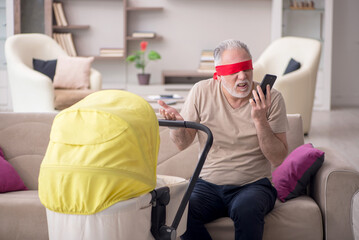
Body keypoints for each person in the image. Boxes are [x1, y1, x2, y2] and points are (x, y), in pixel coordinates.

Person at [158, 39, 289, 240]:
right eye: (234, 70)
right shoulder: (201, 91)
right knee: (179, 210)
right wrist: (177, 123)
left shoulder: (271, 99)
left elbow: (278, 158)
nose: (243, 76)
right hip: (207, 184)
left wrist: (260, 120)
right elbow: (182, 143)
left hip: (253, 185)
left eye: (246, 68)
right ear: (218, 75)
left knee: (246, 209)